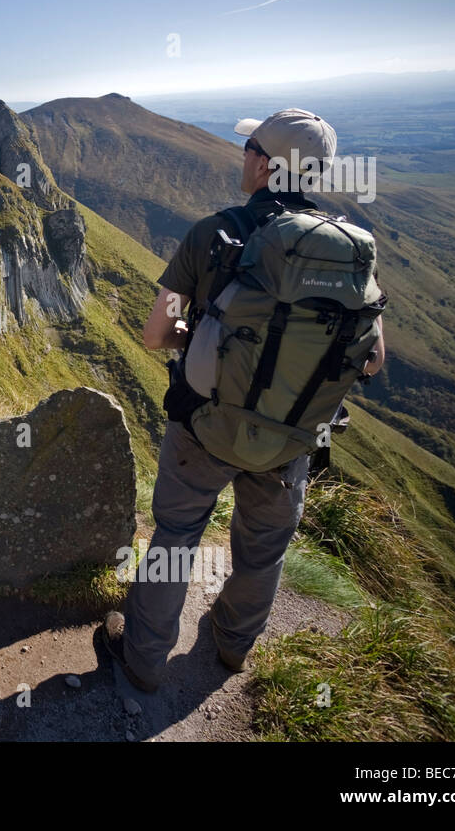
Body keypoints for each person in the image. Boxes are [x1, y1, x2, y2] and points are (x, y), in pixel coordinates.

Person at [98, 109, 384, 693]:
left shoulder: (215, 233)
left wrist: (209, 337)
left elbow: (157, 333)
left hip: (206, 425)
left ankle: (144, 659)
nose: (243, 155)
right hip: (293, 437)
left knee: (177, 536)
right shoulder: (349, 249)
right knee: (263, 549)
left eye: (249, 145)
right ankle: (232, 649)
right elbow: (372, 359)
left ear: (265, 163)